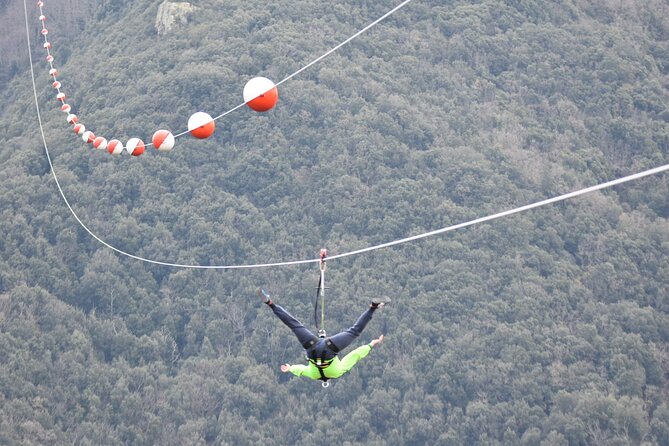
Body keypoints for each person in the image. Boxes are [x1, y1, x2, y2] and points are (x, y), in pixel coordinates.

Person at [258, 288, 389, 384]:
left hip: (329, 348)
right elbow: (301, 370)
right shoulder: (313, 375)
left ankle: (372, 307)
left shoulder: (337, 373)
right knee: (294, 325)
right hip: (312, 348)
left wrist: (371, 344)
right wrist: (290, 368)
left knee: (354, 331)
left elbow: (354, 356)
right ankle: (271, 304)